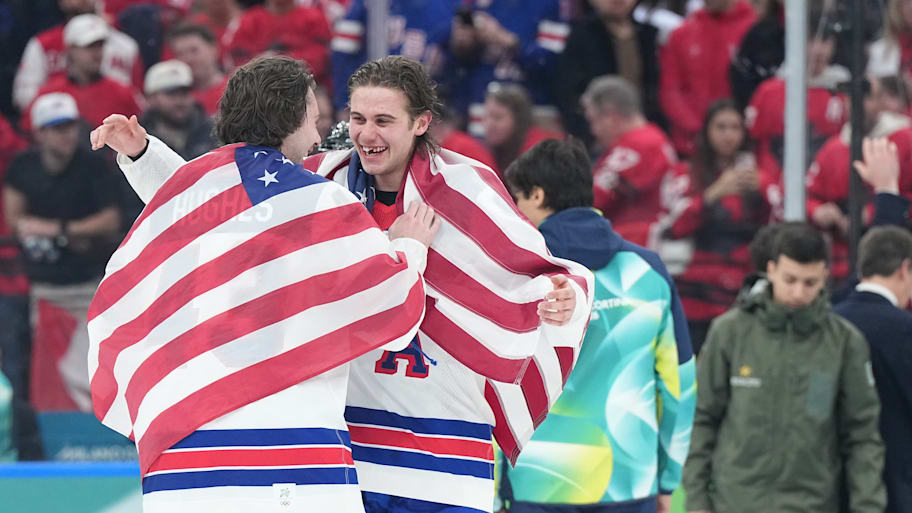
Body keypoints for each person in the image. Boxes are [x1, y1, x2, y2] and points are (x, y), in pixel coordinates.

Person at [94, 55, 593, 513]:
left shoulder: (466, 190)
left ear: (420, 123)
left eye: (383, 120)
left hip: (443, 452)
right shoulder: (319, 184)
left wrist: (564, 296)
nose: (365, 133)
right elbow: (221, 208)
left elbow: (541, 271)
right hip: (353, 452)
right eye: (357, 118)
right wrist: (144, 156)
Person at [88, 56, 438, 512]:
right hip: (289, 460)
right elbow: (392, 310)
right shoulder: (317, 200)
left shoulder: (196, 196)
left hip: (181, 464)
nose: (317, 137)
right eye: (313, 120)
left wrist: (142, 156)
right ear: (291, 118)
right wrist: (409, 247)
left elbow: (203, 203)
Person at [499, 138, 695, 513]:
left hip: (537, 479)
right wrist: (669, 477)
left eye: (517, 199)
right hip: (629, 479)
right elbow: (679, 384)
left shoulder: (518, 276)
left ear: (537, 196)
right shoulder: (647, 271)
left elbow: (492, 382)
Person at [682, 222, 887, 513]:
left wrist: (868, 507)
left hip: (812, 504)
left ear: (824, 277)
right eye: (790, 280)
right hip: (735, 502)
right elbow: (702, 418)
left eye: (810, 283)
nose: (798, 292)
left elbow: (862, 436)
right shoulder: (729, 333)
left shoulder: (845, 343)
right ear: (772, 270)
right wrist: (697, 501)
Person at [3, 92, 122, 412]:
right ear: (39, 133)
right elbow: (15, 219)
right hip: (45, 290)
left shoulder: (93, 165)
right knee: (51, 376)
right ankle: (55, 433)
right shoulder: (24, 166)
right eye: (56, 128)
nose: (66, 134)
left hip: (89, 287)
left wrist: (57, 230)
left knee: (94, 367)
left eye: (69, 126)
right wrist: (53, 232)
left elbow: (111, 220)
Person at [664, 100, 775, 355]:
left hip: (741, 289)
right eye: (721, 127)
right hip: (695, 295)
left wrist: (763, 195)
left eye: (735, 128)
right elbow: (673, 226)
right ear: (706, 131)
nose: (728, 135)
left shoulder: (760, 177)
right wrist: (712, 194)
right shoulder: (685, 174)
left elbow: (775, 226)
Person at [835, 224, 912, 513]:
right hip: (896, 481)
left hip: (833, 482)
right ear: (904, 269)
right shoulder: (905, 329)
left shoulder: (830, 323)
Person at [806, 75, 912, 283]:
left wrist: (872, 212)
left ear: (881, 100)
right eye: (850, 98)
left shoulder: (905, 140)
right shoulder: (833, 148)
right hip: (840, 264)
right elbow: (807, 195)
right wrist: (817, 210)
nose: (857, 105)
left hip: (895, 258)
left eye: (867, 97)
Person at [445, 0, 571, 136]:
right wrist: (461, 46)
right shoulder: (478, 6)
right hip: (481, 113)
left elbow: (555, 63)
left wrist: (507, 40)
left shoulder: (547, 4)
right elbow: (459, 70)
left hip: (531, 116)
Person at [745, 13, 848, 177]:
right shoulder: (768, 92)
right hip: (771, 181)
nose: (817, 50)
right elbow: (752, 141)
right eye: (810, 40)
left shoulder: (843, 92)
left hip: (822, 183)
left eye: (824, 41)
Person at [584, 75, 677, 249]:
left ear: (610, 116)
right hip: (637, 241)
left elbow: (590, 198)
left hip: (636, 244)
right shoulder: (650, 138)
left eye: (593, 121)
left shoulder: (638, 145)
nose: (593, 131)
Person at [556, 0, 662, 144]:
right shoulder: (581, 35)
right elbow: (567, 92)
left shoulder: (647, 35)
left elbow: (656, 89)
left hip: (642, 132)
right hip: (597, 137)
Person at [659, 0, 756, 155]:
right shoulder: (682, 34)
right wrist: (701, 129)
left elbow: (760, 90)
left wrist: (735, 128)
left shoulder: (753, 30)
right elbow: (670, 90)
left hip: (742, 143)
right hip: (692, 145)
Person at [12, 1, 143, 112]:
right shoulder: (42, 44)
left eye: (99, 45)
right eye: (90, 46)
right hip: (60, 122)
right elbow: (24, 98)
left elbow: (139, 101)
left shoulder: (126, 45)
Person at [330, 0, 454, 115]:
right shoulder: (367, 3)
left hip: (425, 103)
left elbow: (456, 63)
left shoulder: (450, 5)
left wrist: (448, 112)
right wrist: (344, 103)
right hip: (370, 97)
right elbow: (342, 54)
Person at [22, 14, 140, 133]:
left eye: (100, 45)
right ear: (71, 50)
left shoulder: (122, 93)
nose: (97, 53)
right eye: (89, 46)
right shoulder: (49, 94)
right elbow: (28, 132)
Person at [225, 0, 332, 87]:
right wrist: (261, 64)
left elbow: (320, 58)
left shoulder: (313, 17)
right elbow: (238, 60)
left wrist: (279, 61)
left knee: (320, 105)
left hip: (305, 84)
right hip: (258, 86)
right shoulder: (249, 20)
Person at [140, 60, 217, 161]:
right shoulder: (139, 139)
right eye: (171, 94)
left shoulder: (213, 131)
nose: (179, 101)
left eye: (184, 93)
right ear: (151, 98)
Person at [482, 83, 562, 176]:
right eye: (486, 117)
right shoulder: (495, 149)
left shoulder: (541, 151)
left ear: (519, 120)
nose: (489, 125)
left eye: (497, 117)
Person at [168, 23, 228, 117]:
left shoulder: (237, 90)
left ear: (213, 49)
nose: (188, 59)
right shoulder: (172, 101)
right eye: (180, 54)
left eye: (194, 50)